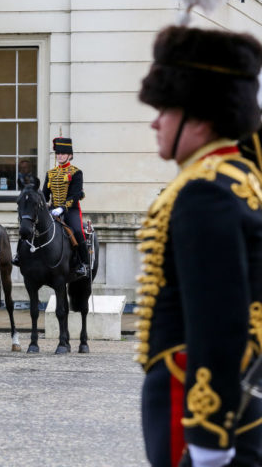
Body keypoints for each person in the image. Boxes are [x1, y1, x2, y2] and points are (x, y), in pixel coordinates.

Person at [136, 25, 262, 467]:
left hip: (187, 387)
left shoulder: (204, 190)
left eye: (166, 109)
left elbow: (217, 317)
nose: (154, 121)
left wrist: (207, 434)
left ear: (202, 117)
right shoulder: (239, 175)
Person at [16, 137, 88, 278]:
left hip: (70, 210)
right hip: (52, 209)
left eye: (63, 153)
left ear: (70, 155)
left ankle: (83, 264)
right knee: (29, 225)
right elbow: (45, 195)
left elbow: (75, 195)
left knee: (78, 231)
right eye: (58, 153)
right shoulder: (51, 173)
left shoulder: (76, 173)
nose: (60, 156)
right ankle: (19, 255)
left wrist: (62, 208)